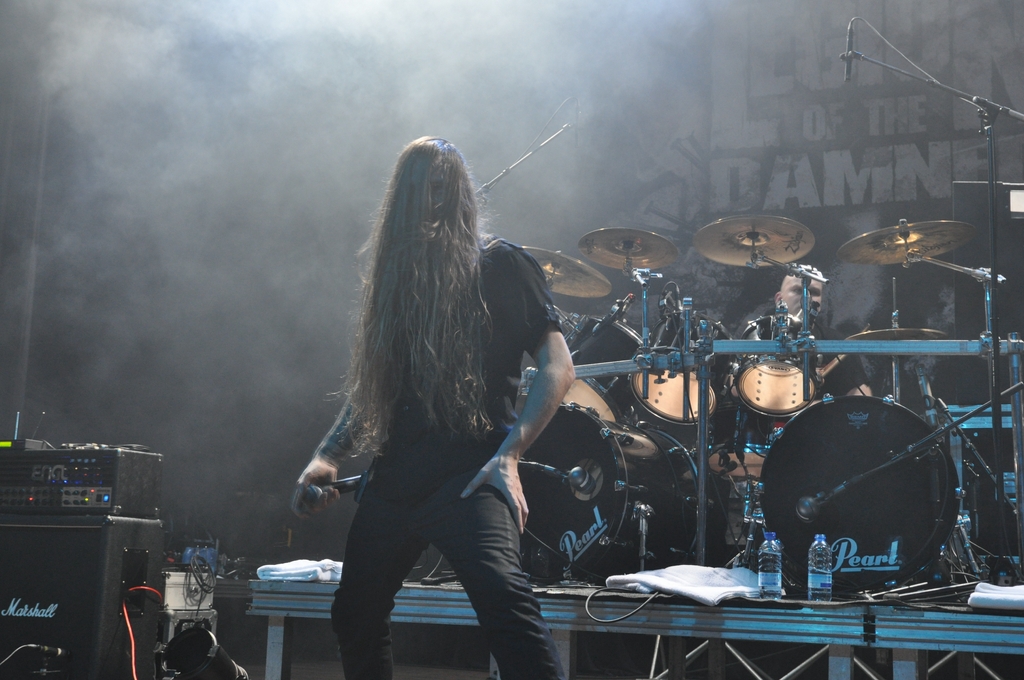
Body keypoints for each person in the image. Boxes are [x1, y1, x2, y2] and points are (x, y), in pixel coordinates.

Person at [291, 137, 575, 680]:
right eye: (416, 193)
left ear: (459, 197)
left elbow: (558, 368)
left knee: (507, 607)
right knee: (354, 615)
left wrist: (511, 455)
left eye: (439, 190)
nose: (427, 205)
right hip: (396, 478)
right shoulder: (395, 284)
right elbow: (375, 387)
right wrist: (327, 454)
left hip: (469, 476)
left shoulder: (501, 264)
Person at [772, 273, 871, 398]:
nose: (806, 298)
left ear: (820, 302)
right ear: (779, 299)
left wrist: (815, 407)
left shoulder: (837, 343)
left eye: (814, 292)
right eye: (798, 290)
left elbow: (861, 396)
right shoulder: (758, 336)